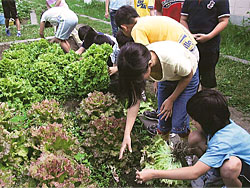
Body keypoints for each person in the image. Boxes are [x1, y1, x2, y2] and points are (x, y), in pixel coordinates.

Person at [115, 5, 199, 159]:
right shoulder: (137, 64)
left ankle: (188, 152)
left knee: (179, 124)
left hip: (188, 73)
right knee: (163, 120)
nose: (139, 81)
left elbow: (188, 75)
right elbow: (135, 102)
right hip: (167, 76)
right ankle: (164, 150)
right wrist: (126, 135)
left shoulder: (171, 60)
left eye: (140, 78)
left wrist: (171, 99)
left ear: (149, 66)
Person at [136, 89, 250, 187]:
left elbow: (194, 173)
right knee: (195, 137)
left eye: (195, 119)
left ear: (207, 121)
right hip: (233, 158)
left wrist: (154, 173)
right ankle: (211, 172)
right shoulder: (222, 122)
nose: (193, 122)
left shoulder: (222, 142)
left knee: (229, 167)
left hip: (246, 173)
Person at [180, 0, 230, 90]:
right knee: (189, 72)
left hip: (210, 45)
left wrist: (208, 36)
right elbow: (183, 19)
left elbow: (224, 21)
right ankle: (190, 98)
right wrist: (189, 35)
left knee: (208, 74)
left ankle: (205, 99)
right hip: (191, 44)